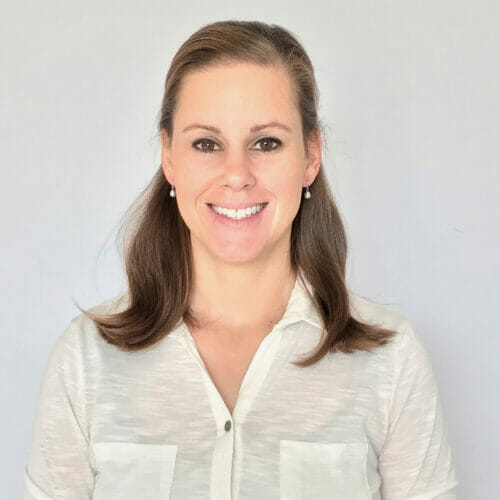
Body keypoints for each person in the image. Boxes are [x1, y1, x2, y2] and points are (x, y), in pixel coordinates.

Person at [22, 20, 459, 499]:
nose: (237, 175)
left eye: (266, 143)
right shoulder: (87, 360)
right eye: (206, 144)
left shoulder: (390, 361)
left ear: (311, 156)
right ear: (169, 156)